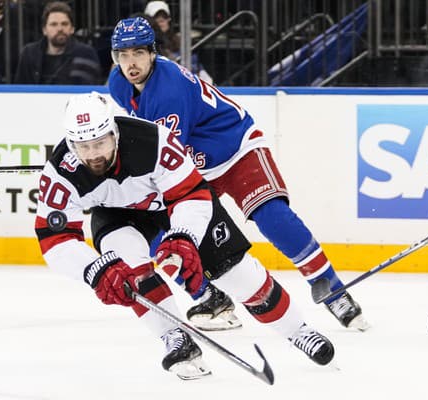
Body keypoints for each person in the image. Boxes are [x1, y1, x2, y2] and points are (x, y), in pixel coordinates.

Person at [35, 91, 334, 379]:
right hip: (116, 213)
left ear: (114, 132)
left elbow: (191, 192)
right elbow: (53, 239)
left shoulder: (151, 141)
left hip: (174, 203)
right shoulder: (61, 171)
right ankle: (175, 337)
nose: (92, 155)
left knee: (237, 275)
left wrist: (184, 235)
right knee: (126, 270)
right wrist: (94, 270)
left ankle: (298, 330)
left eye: (99, 143)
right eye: (82, 146)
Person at [108, 17, 369, 331]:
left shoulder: (168, 92)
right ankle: (207, 296)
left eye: (138, 53)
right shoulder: (118, 83)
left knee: (271, 215)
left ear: (152, 53)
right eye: (123, 54)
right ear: (114, 58)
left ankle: (331, 287)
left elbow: (163, 157)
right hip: (195, 163)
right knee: (154, 227)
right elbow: (143, 139)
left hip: (236, 146)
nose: (131, 62)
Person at [14, 1, 102, 85]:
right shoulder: (29, 53)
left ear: (72, 29)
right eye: (54, 24)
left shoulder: (85, 54)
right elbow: (19, 90)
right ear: (44, 30)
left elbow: (90, 92)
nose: (60, 29)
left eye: (64, 24)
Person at [143, 0, 213, 83]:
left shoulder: (179, 40)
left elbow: (194, 64)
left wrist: (201, 73)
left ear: (169, 19)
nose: (161, 21)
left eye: (164, 17)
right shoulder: (145, 44)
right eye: (156, 18)